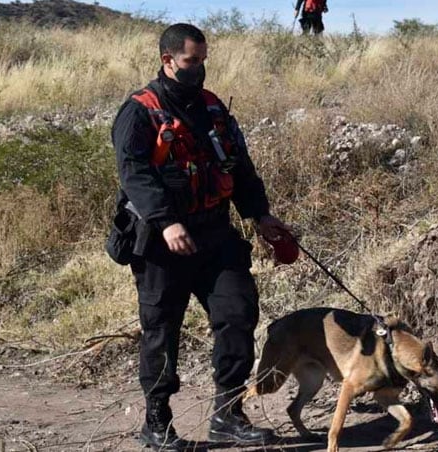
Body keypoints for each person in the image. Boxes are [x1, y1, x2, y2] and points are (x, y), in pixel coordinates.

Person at [111, 23, 291, 450]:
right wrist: (165, 221)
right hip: (161, 244)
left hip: (215, 237)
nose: (200, 69)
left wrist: (261, 216)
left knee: (238, 315)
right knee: (161, 331)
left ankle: (227, 416)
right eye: (192, 62)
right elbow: (133, 173)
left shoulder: (213, 109)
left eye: (203, 61)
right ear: (167, 60)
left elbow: (240, 169)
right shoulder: (138, 111)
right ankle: (157, 425)